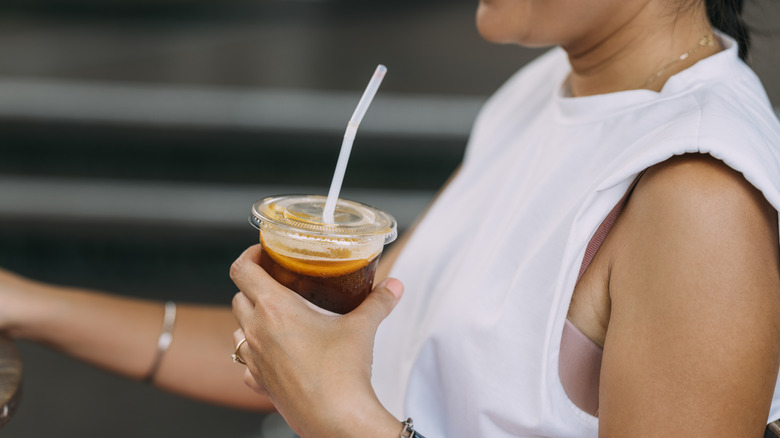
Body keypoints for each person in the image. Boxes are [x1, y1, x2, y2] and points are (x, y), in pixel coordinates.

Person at [2, 0, 779, 437]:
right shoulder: (549, 88)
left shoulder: (695, 197)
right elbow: (348, 357)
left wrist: (341, 419)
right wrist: (29, 305)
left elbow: (337, 393)